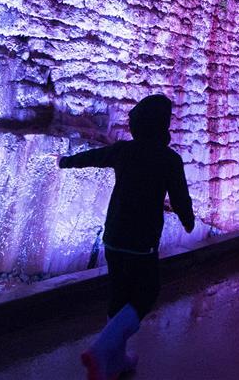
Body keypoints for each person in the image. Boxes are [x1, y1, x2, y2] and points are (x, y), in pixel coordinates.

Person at [58, 94, 195, 380]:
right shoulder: (169, 159)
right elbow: (180, 198)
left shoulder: (124, 151)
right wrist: (187, 220)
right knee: (147, 293)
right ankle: (102, 349)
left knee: (119, 295)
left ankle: (116, 361)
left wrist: (67, 162)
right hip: (141, 242)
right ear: (162, 126)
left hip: (114, 237)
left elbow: (94, 157)